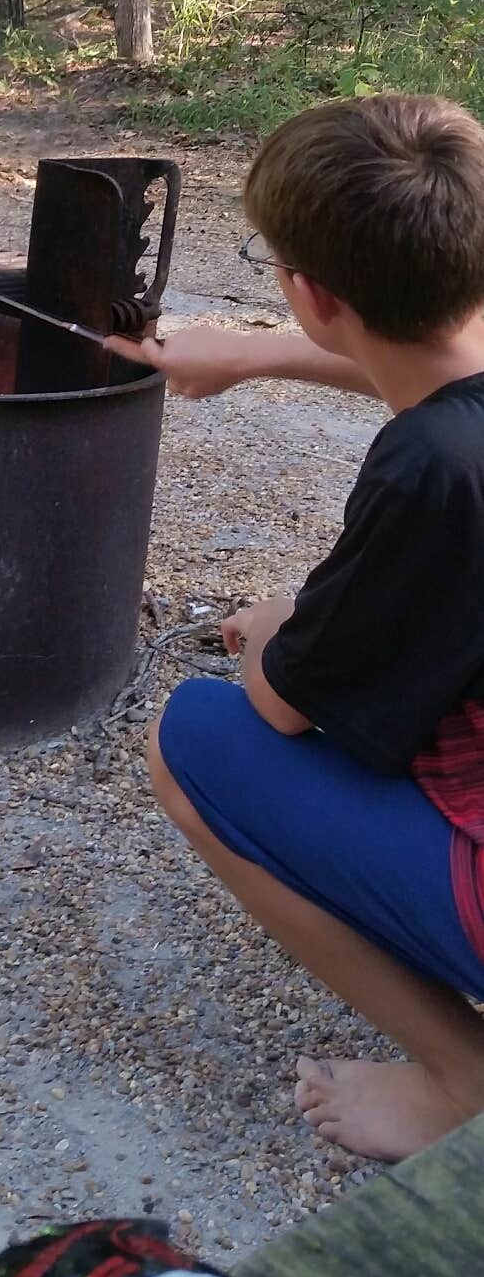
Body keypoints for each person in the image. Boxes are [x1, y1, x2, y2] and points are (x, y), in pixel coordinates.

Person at [110, 94, 484, 1162]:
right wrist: (255, 352)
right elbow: (433, 361)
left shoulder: (436, 474)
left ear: (313, 290)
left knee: (194, 739)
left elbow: (280, 704)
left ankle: (464, 1082)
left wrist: (283, 617)